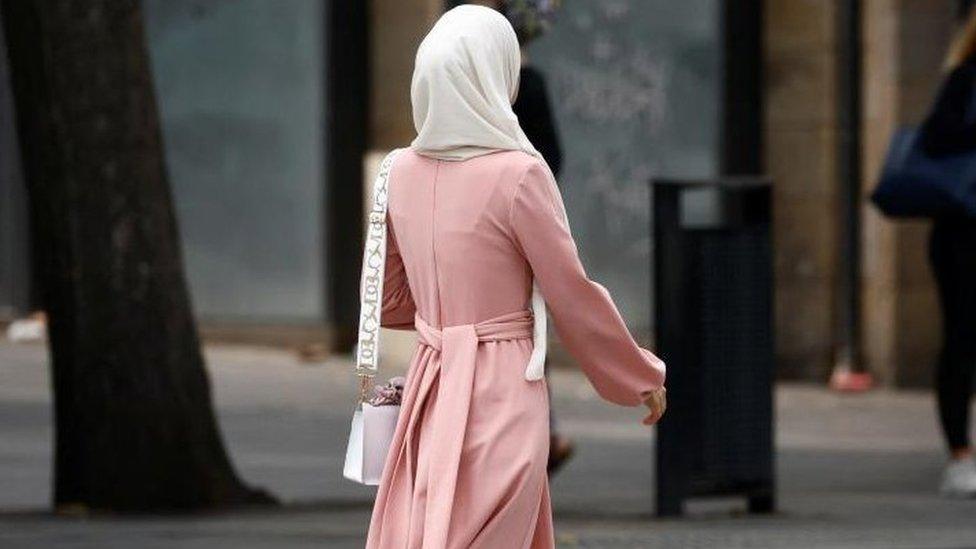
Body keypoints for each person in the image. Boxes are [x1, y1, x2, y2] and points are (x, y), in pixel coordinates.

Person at [364, 6, 667, 547]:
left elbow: (389, 303)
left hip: (431, 381)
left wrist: (446, 309)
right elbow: (570, 293)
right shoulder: (520, 174)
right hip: (503, 382)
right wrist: (637, 373)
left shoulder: (399, 170)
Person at [922, 6, 976, 498]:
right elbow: (933, 140)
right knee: (962, 338)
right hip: (963, 233)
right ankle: (960, 453)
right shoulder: (965, 81)